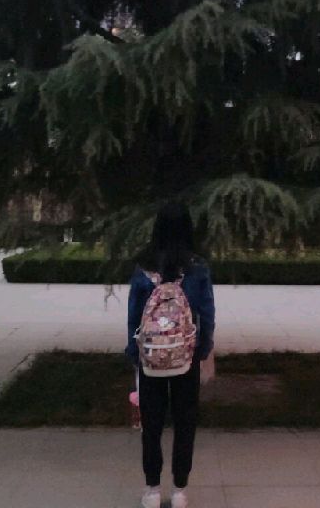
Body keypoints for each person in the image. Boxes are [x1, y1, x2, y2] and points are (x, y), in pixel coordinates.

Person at [126, 201, 215, 508]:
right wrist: (202, 348)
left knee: (151, 425)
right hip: (185, 357)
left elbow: (134, 316)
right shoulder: (197, 266)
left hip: (150, 358)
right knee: (185, 422)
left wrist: (134, 352)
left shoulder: (144, 266)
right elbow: (207, 313)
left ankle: (152, 490)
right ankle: (179, 491)